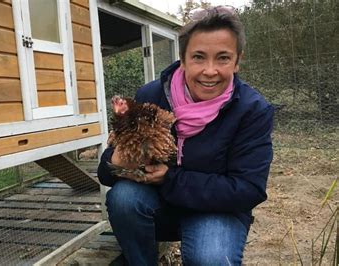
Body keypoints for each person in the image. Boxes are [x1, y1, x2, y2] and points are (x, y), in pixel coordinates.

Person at [97, 6, 274, 266]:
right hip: (161, 206)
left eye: (223, 58)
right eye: (199, 57)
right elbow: (105, 174)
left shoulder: (252, 110)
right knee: (124, 198)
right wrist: (117, 160)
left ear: (237, 61)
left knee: (212, 258)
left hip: (218, 210)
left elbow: (248, 189)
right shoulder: (151, 96)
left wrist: (169, 178)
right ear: (183, 58)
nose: (210, 71)